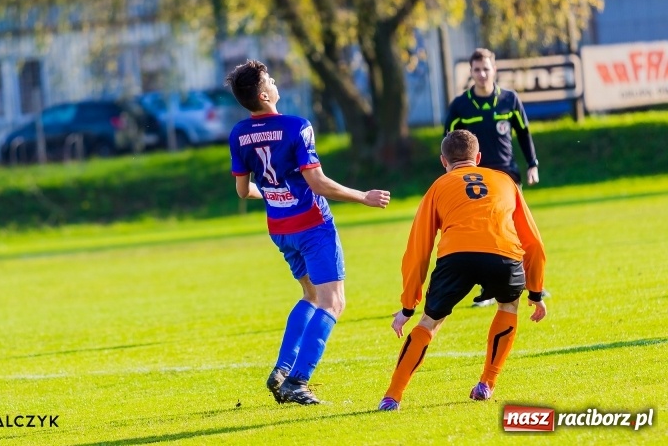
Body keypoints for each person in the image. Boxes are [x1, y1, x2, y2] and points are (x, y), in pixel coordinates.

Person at [226, 60, 391, 405]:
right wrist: (363, 196)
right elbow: (317, 183)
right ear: (264, 93)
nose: (274, 80)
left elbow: (243, 191)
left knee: (311, 296)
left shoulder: (238, 134)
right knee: (334, 302)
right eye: (269, 79)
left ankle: (283, 369)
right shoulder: (297, 126)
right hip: (312, 226)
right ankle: (297, 381)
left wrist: (271, 194)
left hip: (280, 230)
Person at [377, 129, 546, 411]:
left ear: (444, 161)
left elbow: (418, 251)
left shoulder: (438, 187)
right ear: (478, 158)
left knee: (429, 323)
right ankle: (487, 383)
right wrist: (537, 291)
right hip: (503, 255)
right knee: (509, 305)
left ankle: (392, 397)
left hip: (457, 257)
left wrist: (408, 307)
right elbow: (534, 241)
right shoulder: (505, 180)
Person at [444, 47, 542, 307]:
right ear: (471, 72)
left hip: (508, 176)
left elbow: (523, 133)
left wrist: (532, 164)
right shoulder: (461, 105)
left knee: (517, 229)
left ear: (494, 69)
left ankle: (531, 284)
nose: (482, 74)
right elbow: (449, 142)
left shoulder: (509, 100)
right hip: (476, 182)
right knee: (483, 233)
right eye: (477, 70)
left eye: (486, 69)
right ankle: (489, 289)